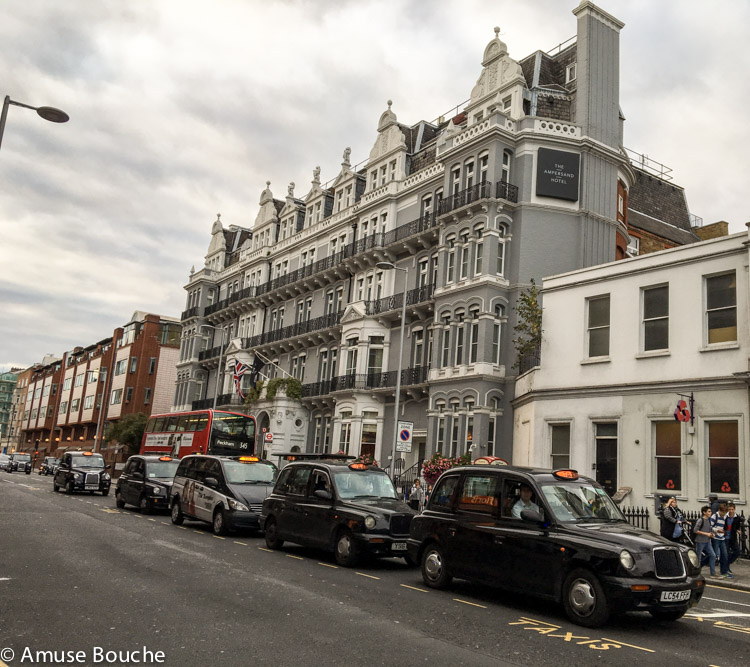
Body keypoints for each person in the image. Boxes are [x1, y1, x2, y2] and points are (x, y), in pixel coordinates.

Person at [693, 505, 717, 577]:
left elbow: (709, 529)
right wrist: (706, 534)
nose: (710, 513)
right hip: (700, 541)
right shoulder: (701, 520)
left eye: (710, 511)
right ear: (704, 512)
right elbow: (695, 530)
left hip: (707, 542)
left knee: (713, 555)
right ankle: (697, 573)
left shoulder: (709, 520)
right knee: (698, 558)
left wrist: (712, 534)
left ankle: (713, 573)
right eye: (709, 511)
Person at [710, 503, 732, 578]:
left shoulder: (725, 516)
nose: (724, 514)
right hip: (715, 538)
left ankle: (724, 572)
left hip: (722, 538)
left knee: (724, 555)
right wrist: (717, 530)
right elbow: (710, 526)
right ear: (719, 510)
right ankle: (702, 563)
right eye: (723, 513)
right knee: (714, 555)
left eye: (725, 513)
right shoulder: (714, 516)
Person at [725, 503, 743, 573]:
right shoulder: (725, 517)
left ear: (734, 509)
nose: (731, 511)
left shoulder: (737, 517)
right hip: (725, 538)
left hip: (733, 538)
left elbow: (737, 527)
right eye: (729, 509)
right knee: (726, 553)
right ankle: (726, 568)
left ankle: (727, 563)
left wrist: (738, 530)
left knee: (737, 551)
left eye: (732, 509)